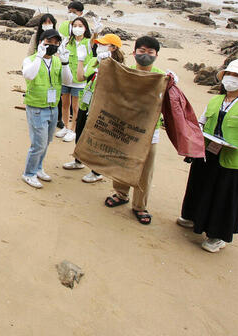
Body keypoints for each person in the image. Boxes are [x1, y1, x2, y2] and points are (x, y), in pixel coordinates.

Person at [178, 59, 238, 253]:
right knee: (200, 185)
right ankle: (193, 217)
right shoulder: (216, 100)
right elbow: (201, 121)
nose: (231, 79)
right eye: (229, 75)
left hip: (232, 160)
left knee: (223, 196)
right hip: (209, 153)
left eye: (237, 76)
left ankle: (217, 236)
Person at [104, 35, 177, 225]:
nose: (145, 55)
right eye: (142, 51)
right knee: (122, 161)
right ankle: (121, 193)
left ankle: (140, 205)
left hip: (150, 132)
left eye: (150, 52)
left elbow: (171, 105)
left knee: (145, 169)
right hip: (126, 128)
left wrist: (172, 86)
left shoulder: (162, 77)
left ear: (156, 55)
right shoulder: (126, 73)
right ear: (134, 52)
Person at [62, 33, 124, 183]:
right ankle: (78, 161)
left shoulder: (119, 67)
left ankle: (96, 172)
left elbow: (116, 85)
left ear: (114, 47)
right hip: (86, 102)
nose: (99, 46)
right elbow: (80, 77)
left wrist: (107, 66)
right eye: (99, 44)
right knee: (80, 132)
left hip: (102, 107)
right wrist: (82, 60)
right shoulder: (95, 60)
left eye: (104, 44)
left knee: (96, 139)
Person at [21, 29, 73, 188]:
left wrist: (65, 63)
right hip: (36, 107)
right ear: (41, 42)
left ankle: (38, 168)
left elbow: (67, 80)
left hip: (52, 108)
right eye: (48, 42)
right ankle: (29, 173)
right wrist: (39, 56)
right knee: (38, 143)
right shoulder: (30, 59)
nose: (52, 46)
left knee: (47, 141)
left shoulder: (57, 61)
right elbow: (29, 75)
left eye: (55, 43)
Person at [55, 17, 92, 142]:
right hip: (66, 78)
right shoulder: (67, 41)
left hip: (79, 81)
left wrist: (96, 32)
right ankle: (65, 126)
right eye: (75, 25)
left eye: (80, 25)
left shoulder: (87, 42)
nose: (77, 28)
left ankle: (73, 130)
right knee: (65, 104)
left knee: (76, 107)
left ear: (85, 28)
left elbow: (94, 42)